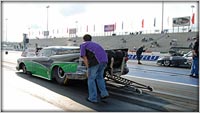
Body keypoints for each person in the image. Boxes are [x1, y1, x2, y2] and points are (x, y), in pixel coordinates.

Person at [80, 34, 109, 103]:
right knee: (100, 77)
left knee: (91, 79)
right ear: (91, 39)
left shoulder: (83, 45)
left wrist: (87, 69)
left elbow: (84, 57)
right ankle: (104, 93)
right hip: (104, 60)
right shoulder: (95, 44)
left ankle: (92, 98)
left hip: (95, 61)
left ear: (83, 39)